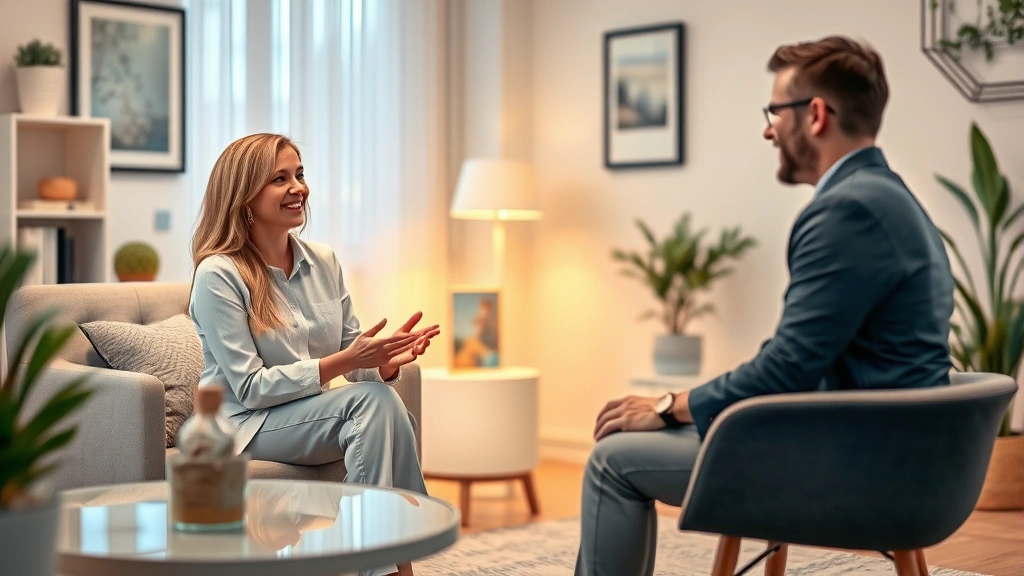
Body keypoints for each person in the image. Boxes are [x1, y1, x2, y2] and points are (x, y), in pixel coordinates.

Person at [573, 36, 955, 576]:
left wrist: (665, 406)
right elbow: (799, 362)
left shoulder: (847, 210)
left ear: (816, 114)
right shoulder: (893, 197)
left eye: (775, 111)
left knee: (614, 459)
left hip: (859, 468)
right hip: (902, 455)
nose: (768, 129)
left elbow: (787, 369)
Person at [189, 133, 440, 576]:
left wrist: (380, 363)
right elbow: (249, 389)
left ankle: (383, 563)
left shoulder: (324, 261)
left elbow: (350, 350)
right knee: (375, 407)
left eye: (300, 175)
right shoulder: (219, 274)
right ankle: (393, 559)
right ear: (244, 196)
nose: (298, 187)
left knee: (381, 401)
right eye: (279, 179)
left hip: (307, 414)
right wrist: (346, 361)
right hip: (247, 424)